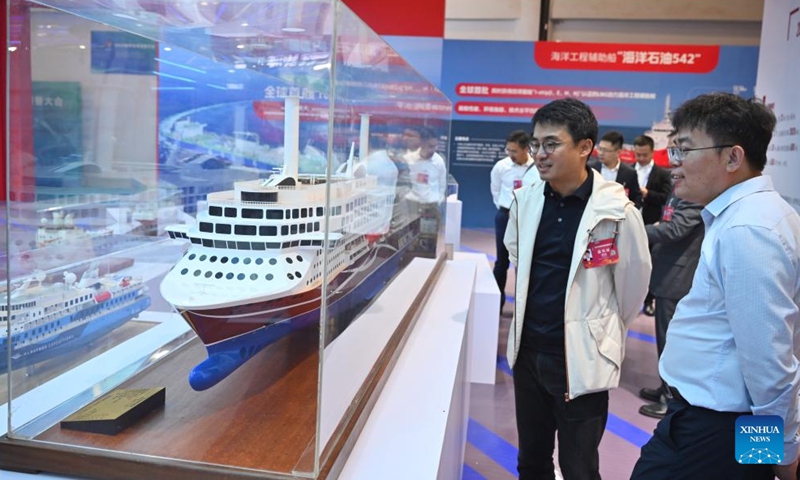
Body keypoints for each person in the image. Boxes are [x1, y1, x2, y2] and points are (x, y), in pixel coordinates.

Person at [631, 93, 800, 480]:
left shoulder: (749, 230)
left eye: (684, 150)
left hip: (712, 432)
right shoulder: (747, 217)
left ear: (733, 158)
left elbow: (769, 362)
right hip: (711, 423)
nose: (673, 165)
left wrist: (781, 454)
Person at [505, 98, 651, 480]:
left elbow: (632, 288)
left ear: (585, 147)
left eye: (551, 144)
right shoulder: (526, 199)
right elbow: (515, 252)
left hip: (580, 360)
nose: (539, 154)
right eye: (535, 144)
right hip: (528, 354)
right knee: (531, 462)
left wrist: (596, 332)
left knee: (578, 467)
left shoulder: (617, 212)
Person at [637, 191, 704, 419]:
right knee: (665, 339)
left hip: (678, 278)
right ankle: (665, 388)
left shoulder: (695, 195)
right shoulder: (681, 190)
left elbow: (675, 229)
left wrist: (637, 230)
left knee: (671, 341)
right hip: (669, 272)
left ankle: (671, 398)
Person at [490, 130, 539, 314]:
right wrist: (506, 208)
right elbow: (495, 190)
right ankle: (497, 304)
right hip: (505, 216)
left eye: (514, 150)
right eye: (508, 150)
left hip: (527, 219)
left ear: (526, 148)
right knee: (501, 262)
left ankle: (523, 308)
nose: (510, 154)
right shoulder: (501, 166)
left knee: (524, 263)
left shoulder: (536, 168)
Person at [633, 134, 674, 316]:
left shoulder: (662, 174)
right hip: (629, 225)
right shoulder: (627, 171)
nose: (640, 158)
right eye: (637, 154)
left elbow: (666, 198)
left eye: (644, 155)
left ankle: (649, 301)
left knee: (649, 265)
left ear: (652, 152)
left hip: (651, 226)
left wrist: (648, 193)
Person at [592, 131, 642, 208]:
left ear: (618, 152)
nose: (601, 153)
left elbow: (636, 199)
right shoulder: (591, 169)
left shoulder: (630, 173)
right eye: (599, 148)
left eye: (605, 150)